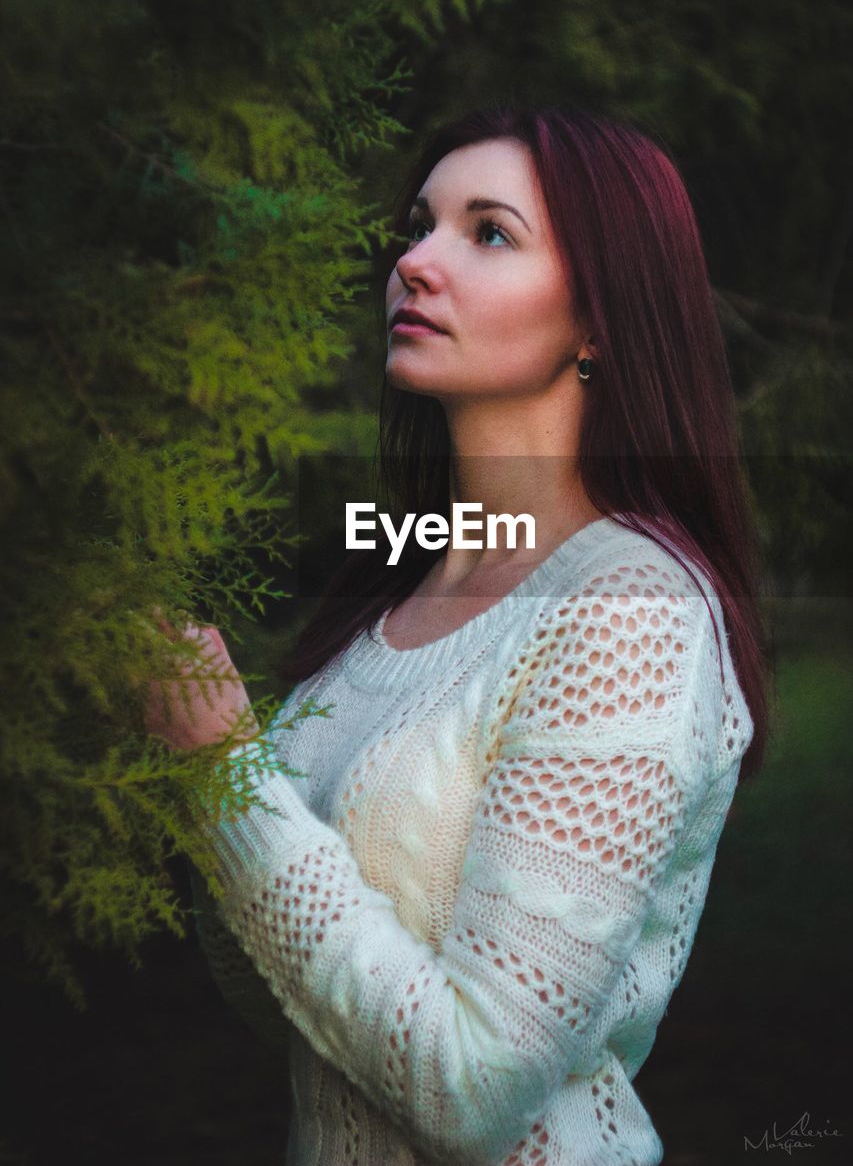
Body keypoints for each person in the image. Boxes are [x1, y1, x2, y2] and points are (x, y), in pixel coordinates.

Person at [146, 103, 770, 1165]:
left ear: (596, 320)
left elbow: (474, 1088)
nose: (414, 262)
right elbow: (291, 1003)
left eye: (487, 232)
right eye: (417, 224)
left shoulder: (628, 608)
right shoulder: (394, 591)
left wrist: (225, 777)